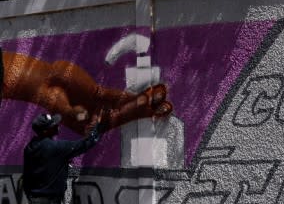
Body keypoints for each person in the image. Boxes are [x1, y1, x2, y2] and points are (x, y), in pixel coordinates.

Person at [1, 46, 171, 135]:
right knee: (87, 117)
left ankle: (140, 102)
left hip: (57, 77)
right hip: (50, 94)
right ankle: (141, 106)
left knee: (97, 96)